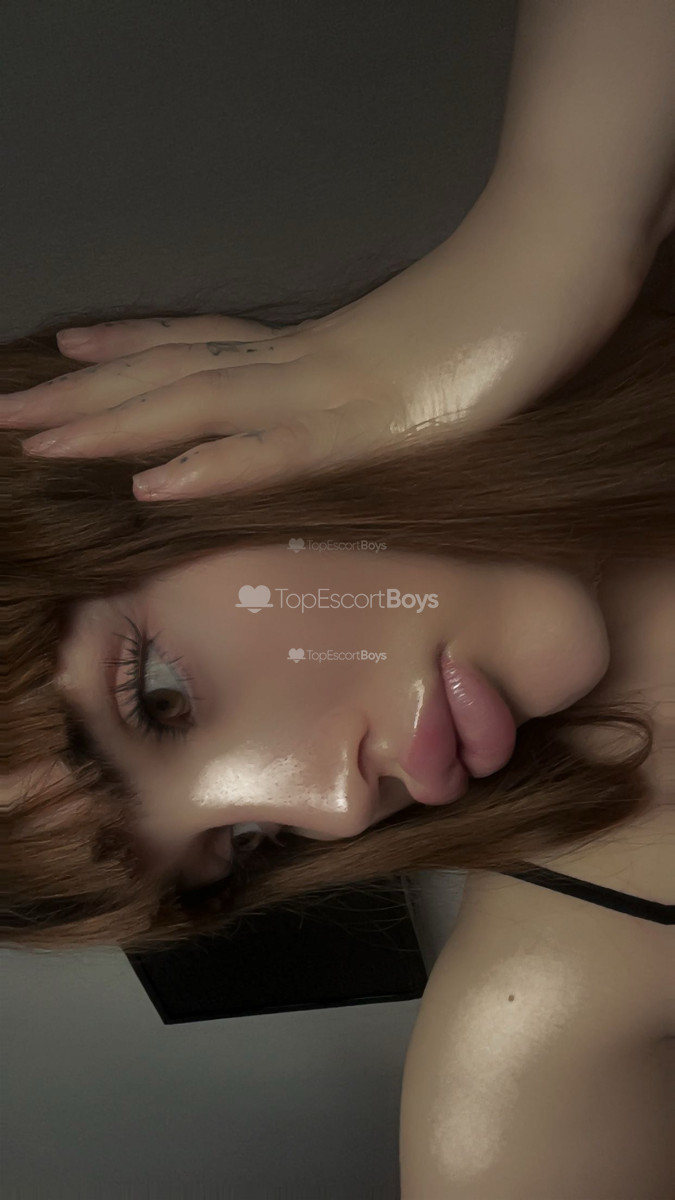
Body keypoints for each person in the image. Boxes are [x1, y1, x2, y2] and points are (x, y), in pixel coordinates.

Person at [2, 2, 674, 1195]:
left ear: (158, 429)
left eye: (161, 695)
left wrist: (552, 235)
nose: (331, 804)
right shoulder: (534, 1055)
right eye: (236, 848)